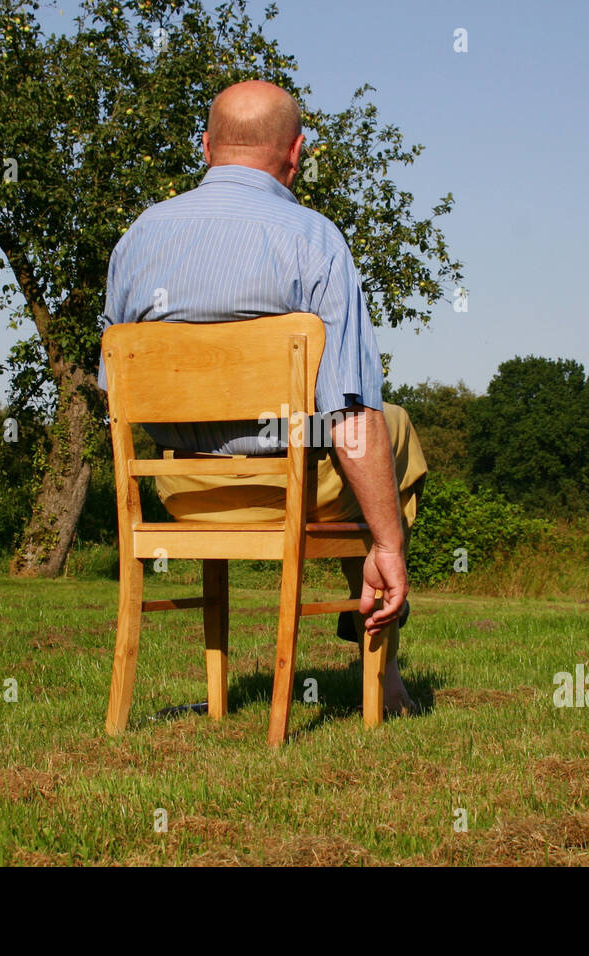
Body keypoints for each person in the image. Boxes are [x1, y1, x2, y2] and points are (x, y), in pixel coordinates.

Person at [96, 80, 425, 714]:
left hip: (184, 495)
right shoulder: (314, 239)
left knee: (365, 438)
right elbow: (351, 415)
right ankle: (381, 646)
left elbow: (118, 394)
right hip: (286, 487)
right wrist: (388, 542)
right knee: (390, 426)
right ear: (295, 153)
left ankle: (216, 695)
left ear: (206, 147)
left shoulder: (138, 237)